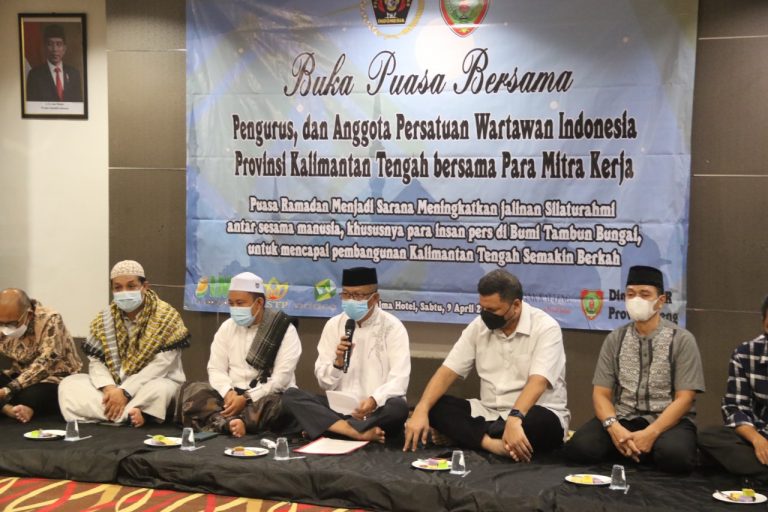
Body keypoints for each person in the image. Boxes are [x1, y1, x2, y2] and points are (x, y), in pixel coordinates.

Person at [404, 269, 569, 461]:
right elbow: (447, 371)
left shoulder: (546, 327)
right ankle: (492, 444)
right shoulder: (478, 326)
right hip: (489, 413)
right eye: (482, 308)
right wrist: (421, 409)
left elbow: (538, 382)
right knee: (435, 406)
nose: (485, 315)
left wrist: (514, 418)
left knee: (540, 423)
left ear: (516, 305)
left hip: (530, 414)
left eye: (492, 311)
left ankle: (470, 435)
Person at [563, 265, 705, 473]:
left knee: (676, 457)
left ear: (661, 301)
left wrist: (651, 433)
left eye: (644, 294)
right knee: (580, 448)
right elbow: (601, 394)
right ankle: (632, 446)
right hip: (624, 417)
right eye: (630, 294)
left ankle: (637, 449)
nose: (636, 299)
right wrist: (614, 428)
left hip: (668, 421)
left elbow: (685, 399)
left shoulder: (682, 340)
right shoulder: (615, 339)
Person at [282, 267, 410, 443]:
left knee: (398, 407)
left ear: (375, 298)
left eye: (357, 296)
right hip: (339, 411)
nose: (351, 300)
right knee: (291, 396)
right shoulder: (334, 325)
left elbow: (400, 380)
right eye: (346, 295)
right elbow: (324, 383)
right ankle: (354, 432)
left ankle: (334, 429)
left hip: (376, 411)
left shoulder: (393, 327)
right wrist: (337, 364)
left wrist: (374, 400)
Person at [58, 260, 190, 427]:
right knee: (70, 384)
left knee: (161, 389)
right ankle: (130, 414)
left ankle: (112, 413)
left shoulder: (166, 317)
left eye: (131, 286)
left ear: (144, 286)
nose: (124, 292)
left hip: (151, 383)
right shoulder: (104, 319)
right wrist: (109, 388)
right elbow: (97, 362)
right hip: (113, 387)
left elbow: (160, 365)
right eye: (118, 287)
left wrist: (126, 392)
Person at [176, 272, 301, 437]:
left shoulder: (283, 329)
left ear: (259, 302)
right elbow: (216, 369)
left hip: (265, 397)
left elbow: (281, 379)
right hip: (232, 396)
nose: (235, 308)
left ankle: (226, 422)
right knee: (192, 390)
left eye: (240, 303)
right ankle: (233, 423)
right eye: (231, 303)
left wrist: (247, 398)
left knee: (285, 404)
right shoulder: (227, 327)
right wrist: (228, 392)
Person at [698, 295, 768, 478]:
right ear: (764, 323)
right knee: (709, 437)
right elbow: (735, 408)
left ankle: (758, 472)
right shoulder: (745, 354)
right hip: (758, 436)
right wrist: (757, 440)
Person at [0, 288, 81, 423]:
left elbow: (45, 363)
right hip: (18, 376)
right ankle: (9, 409)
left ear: (29, 315)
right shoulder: (3, 321)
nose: (5, 328)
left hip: (51, 379)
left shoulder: (51, 320)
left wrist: (7, 390)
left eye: (12, 324)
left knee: (32, 395)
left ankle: (14, 405)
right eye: (1, 323)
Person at [26, 24, 83, 102]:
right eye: (50, 44)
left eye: (59, 44)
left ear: (64, 48)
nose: (55, 49)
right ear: (45, 48)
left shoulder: (74, 74)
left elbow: (78, 104)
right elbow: (32, 105)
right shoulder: (35, 75)